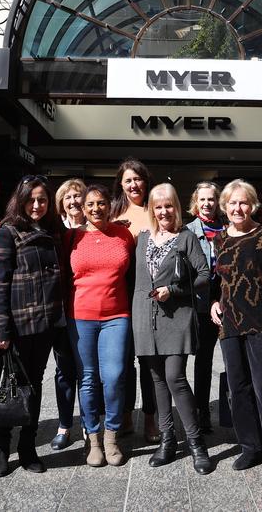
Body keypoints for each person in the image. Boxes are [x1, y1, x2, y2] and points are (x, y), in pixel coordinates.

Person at [210, 179, 262, 486]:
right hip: (230, 322)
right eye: (232, 203)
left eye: (243, 202)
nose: (237, 208)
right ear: (225, 206)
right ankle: (250, 447)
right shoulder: (219, 240)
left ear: (252, 206)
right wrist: (213, 304)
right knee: (239, 388)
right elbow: (220, 280)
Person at [133, 183, 213, 474]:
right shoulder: (142, 239)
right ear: (152, 210)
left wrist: (175, 290)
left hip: (177, 317)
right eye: (158, 206)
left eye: (168, 206)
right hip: (145, 318)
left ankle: (195, 443)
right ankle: (167, 441)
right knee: (156, 381)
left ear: (176, 207)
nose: (164, 211)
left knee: (175, 377)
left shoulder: (186, 237)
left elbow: (204, 275)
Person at [0, 174, 64, 477]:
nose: (37, 205)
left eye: (42, 199)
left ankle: (28, 447)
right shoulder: (7, 231)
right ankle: (2, 446)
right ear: (20, 200)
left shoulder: (52, 231)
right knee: (10, 387)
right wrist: (1, 329)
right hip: (18, 325)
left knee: (33, 387)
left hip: (46, 324)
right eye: (31, 199)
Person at [67, 183, 134, 467]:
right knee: (88, 379)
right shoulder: (71, 237)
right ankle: (93, 438)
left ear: (110, 205)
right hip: (80, 316)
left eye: (101, 203)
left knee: (116, 376)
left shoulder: (123, 234)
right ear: (82, 208)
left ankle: (112, 436)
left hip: (116, 316)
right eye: (90, 204)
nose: (96, 209)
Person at [111, 158, 158, 442]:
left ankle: (150, 418)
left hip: (149, 291)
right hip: (119, 292)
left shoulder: (154, 210)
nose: (133, 184)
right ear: (121, 183)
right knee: (123, 360)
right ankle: (126, 414)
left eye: (137, 179)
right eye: (128, 180)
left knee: (149, 360)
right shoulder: (112, 212)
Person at [51, 178, 86, 451]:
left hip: (87, 311)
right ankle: (64, 425)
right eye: (68, 198)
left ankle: (88, 423)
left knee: (88, 371)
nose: (74, 202)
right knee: (64, 371)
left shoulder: (96, 229)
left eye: (78, 196)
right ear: (61, 204)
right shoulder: (54, 231)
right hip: (60, 311)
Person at [186, 180, 224, 432]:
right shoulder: (187, 231)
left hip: (227, 301)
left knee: (236, 360)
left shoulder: (229, 228)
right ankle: (201, 412)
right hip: (200, 304)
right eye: (202, 199)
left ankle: (239, 408)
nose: (207, 204)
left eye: (211, 199)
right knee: (203, 361)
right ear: (195, 202)